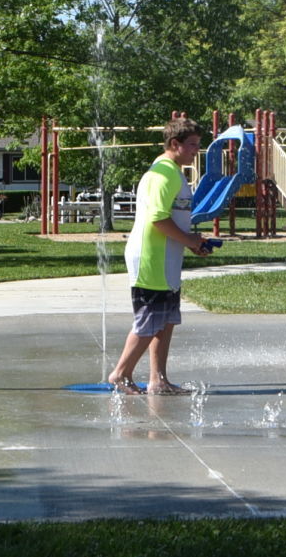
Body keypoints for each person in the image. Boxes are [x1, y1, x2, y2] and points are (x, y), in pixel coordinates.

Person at [107, 116, 214, 395]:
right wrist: (190, 239)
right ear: (174, 144)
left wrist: (191, 243)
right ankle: (120, 374)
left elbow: (172, 220)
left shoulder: (172, 171)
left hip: (166, 257)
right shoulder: (163, 173)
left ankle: (158, 379)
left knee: (165, 321)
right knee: (149, 321)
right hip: (151, 258)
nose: (196, 151)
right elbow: (157, 219)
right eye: (191, 145)